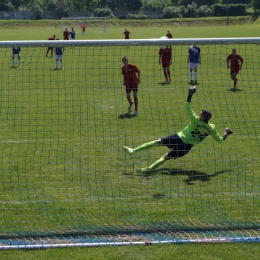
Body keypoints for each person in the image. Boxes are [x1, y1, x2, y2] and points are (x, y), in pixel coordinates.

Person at [124, 86, 233, 173]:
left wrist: (190, 95)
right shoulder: (211, 128)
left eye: (201, 113)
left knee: (157, 142)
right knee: (165, 157)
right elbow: (219, 140)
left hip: (179, 137)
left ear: (203, 117)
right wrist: (226, 134)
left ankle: (134, 151)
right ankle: (147, 169)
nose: (199, 113)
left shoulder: (195, 120)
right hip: (187, 147)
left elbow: (187, 107)